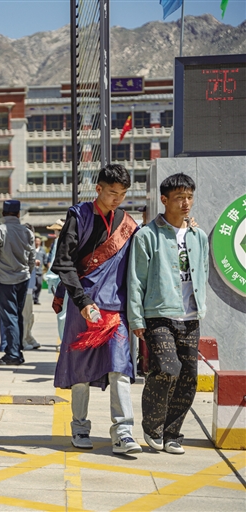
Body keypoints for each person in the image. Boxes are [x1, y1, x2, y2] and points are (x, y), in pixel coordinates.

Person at [51, 164, 141, 455]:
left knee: (120, 369)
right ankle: (79, 427)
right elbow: (63, 262)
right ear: (98, 188)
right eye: (112, 192)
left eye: (122, 194)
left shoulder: (129, 225)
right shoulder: (79, 216)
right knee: (81, 372)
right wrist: (82, 301)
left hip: (116, 311)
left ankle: (123, 433)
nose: (117, 199)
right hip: (84, 307)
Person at [128, 173, 208, 455]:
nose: (186, 203)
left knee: (188, 377)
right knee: (167, 369)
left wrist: (200, 305)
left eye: (189, 197)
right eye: (179, 198)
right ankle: (153, 426)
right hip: (158, 314)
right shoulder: (147, 235)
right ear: (164, 200)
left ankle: (173, 433)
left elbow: (202, 272)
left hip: (190, 317)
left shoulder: (198, 236)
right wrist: (136, 318)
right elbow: (136, 279)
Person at [0, 200, 35, 366]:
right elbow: (32, 258)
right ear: (18, 214)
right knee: (18, 315)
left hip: (5, 281)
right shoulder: (27, 232)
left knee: (9, 316)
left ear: (3, 214)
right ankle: (17, 350)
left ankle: (13, 354)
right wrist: (26, 272)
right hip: (23, 279)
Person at [43, 220, 66, 348]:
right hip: (63, 279)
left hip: (60, 280)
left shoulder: (59, 241)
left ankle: (64, 340)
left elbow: (53, 263)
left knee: (62, 312)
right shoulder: (59, 241)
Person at [22, 224, 41, 351]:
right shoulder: (22, 245)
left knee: (29, 315)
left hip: (30, 285)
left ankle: (28, 336)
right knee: (25, 314)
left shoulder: (29, 244)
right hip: (24, 284)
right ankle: (22, 340)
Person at [33, 235, 47, 305]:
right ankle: (32, 298)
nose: (37, 242)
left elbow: (45, 260)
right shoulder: (32, 249)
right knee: (32, 286)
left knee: (39, 285)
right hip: (32, 271)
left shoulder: (42, 250)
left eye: (38, 241)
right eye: (36, 241)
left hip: (39, 271)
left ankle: (36, 299)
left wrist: (47, 266)